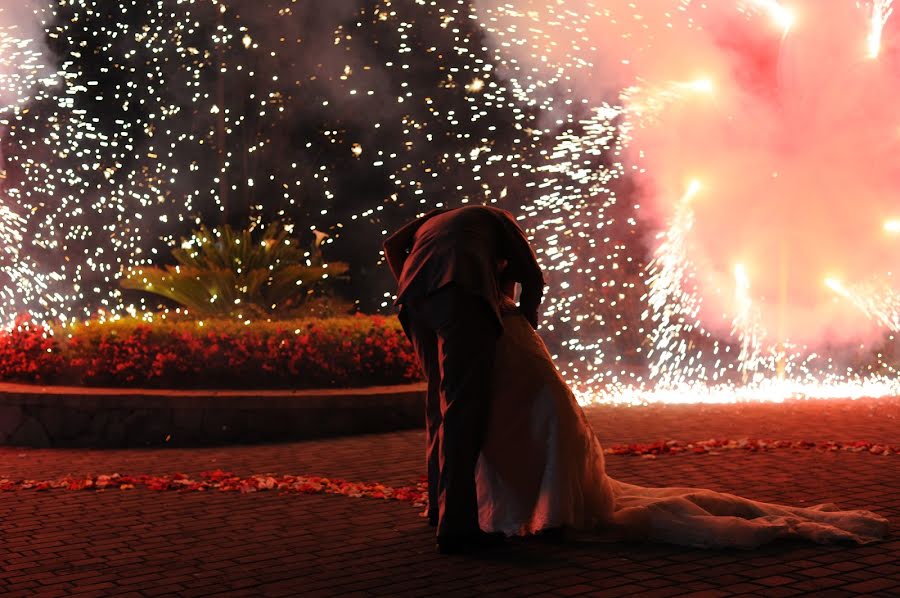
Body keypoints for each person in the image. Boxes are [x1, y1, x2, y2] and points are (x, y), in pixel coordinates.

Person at [475, 272, 890, 548]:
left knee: (544, 436)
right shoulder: (483, 282)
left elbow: (527, 286)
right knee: (531, 433)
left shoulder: (474, 275)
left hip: (514, 356)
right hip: (513, 359)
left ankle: (547, 508)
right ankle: (542, 505)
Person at [383, 205, 544, 554]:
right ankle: (457, 526)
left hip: (414, 300)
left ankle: (439, 507)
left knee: (438, 404)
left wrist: (412, 282)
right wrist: (526, 328)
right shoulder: (503, 221)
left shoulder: (443, 218)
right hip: (460, 294)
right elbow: (533, 277)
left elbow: (393, 245)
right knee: (462, 409)